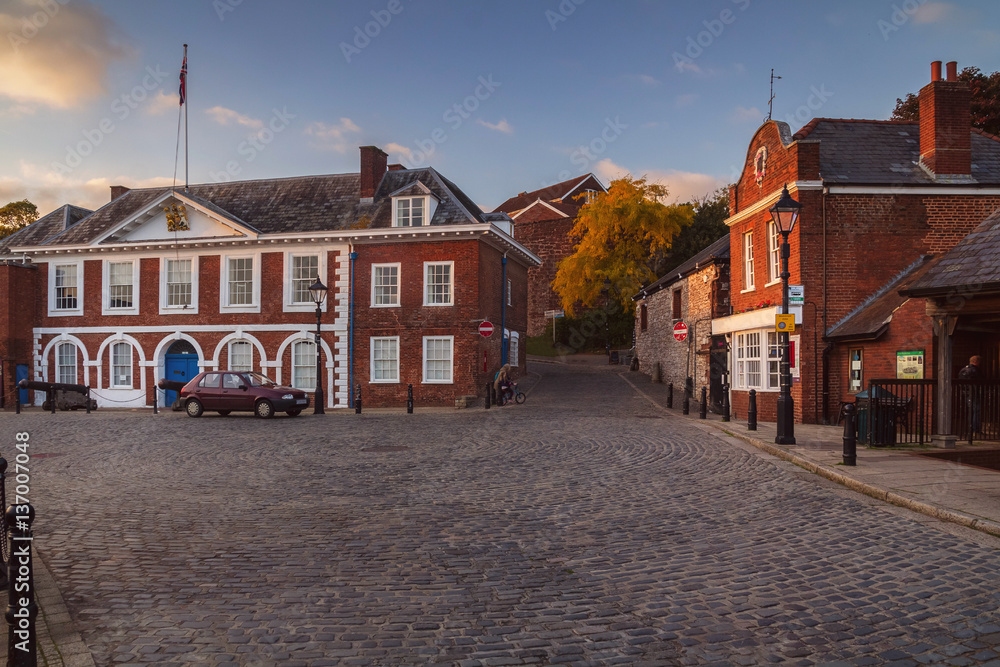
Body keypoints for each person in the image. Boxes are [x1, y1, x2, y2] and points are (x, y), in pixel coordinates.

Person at [958, 355, 983, 437]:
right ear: (976, 362)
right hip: (974, 393)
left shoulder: (963, 370)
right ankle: (976, 430)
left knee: (970, 411)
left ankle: (970, 430)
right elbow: (980, 381)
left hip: (966, 393)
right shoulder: (975, 370)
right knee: (977, 411)